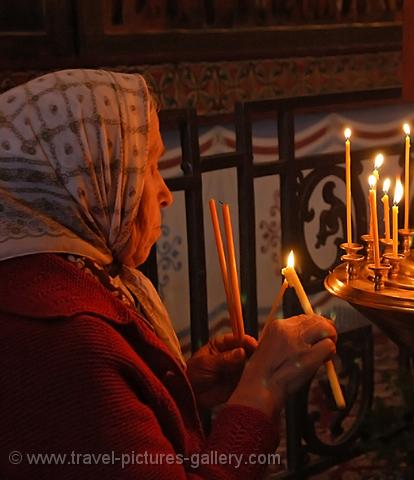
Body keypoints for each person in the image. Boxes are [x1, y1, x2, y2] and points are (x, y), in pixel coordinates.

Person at [0, 69, 338, 479]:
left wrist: (175, 391)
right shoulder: (66, 339)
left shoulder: (44, 280)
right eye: (149, 167)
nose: (164, 194)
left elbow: (99, 437)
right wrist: (260, 391)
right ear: (86, 178)